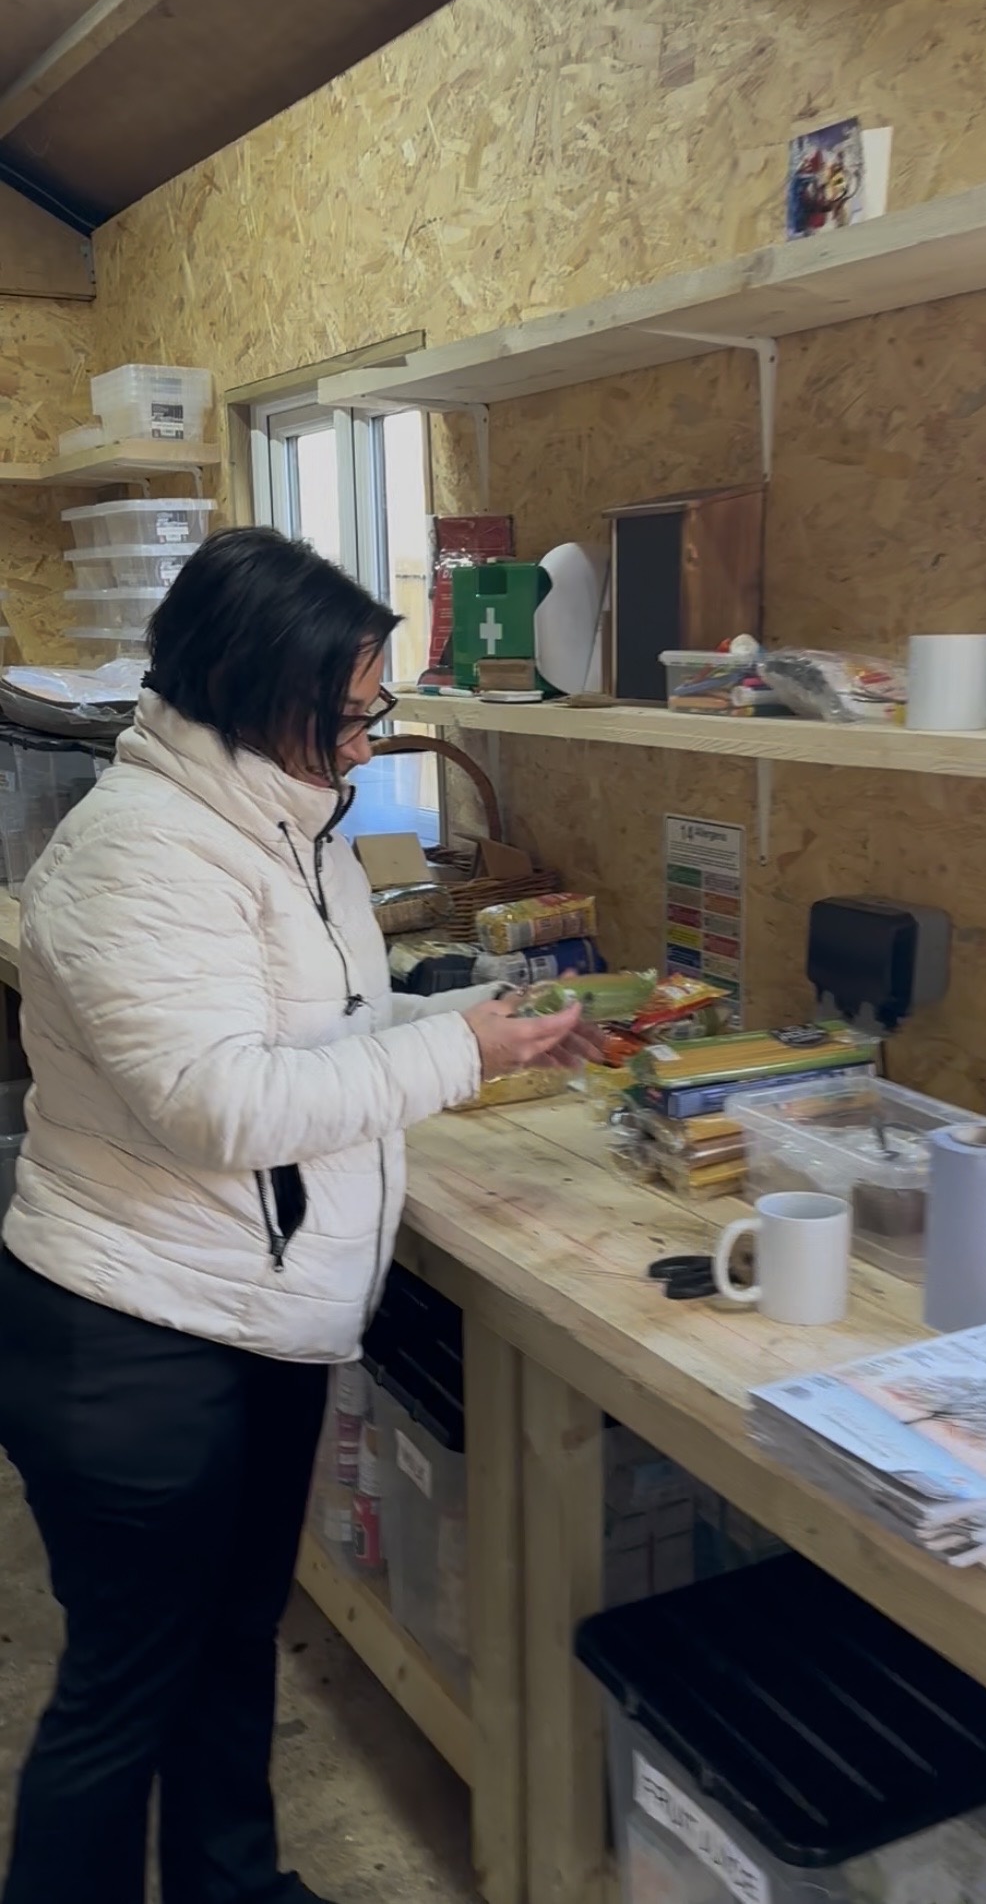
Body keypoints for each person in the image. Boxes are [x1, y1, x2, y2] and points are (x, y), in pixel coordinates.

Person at [0, 526, 595, 1904]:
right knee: (124, 1691)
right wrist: (460, 1059)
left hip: (245, 1312)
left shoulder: (283, 819)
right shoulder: (140, 851)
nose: (367, 741)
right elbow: (218, 1103)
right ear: (250, 687)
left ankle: (236, 1889)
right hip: (131, 1338)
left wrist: (480, 1014)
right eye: (348, 714)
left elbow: (319, 1033)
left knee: (228, 1638)